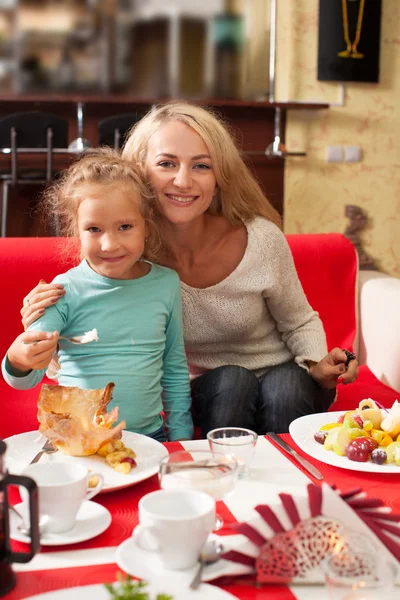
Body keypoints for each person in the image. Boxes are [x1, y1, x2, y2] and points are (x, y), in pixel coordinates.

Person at [18, 102, 359, 437]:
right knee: (232, 381)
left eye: (201, 166)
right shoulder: (127, 252)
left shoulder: (261, 240)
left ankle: (293, 487)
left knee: (282, 387)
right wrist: (39, 327)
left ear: (219, 176)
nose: (183, 181)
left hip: (286, 380)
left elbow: (299, 321)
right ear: (139, 171)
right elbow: (91, 320)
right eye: (166, 163)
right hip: (213, 391)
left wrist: (319, 365)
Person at [1, 147, 193, 442]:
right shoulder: (63, 290)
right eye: (93, 229)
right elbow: (26, 377)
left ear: (147, 225)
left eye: (125, 227)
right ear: (75, 230)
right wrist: (18, 357)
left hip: (152, 439)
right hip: (76, 441)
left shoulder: (166, 284)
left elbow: (175, 369)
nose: (109, 244)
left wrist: (181, 439)